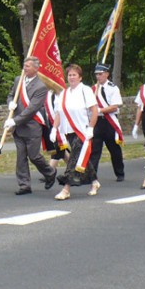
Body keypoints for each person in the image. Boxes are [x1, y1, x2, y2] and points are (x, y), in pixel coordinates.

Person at [4, 56, 56, 195]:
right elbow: (11, 95)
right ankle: (24, 185)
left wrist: (15, 121)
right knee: (21, 157)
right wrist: (10, 103)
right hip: (18, 127)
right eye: (24, 65)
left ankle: (50, 172)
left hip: (32, 126)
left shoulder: (41, 86)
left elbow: (32, 109)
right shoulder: (18, 80)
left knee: (34, 156)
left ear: (36, 68)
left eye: (28, 66)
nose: (24, 68)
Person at [51, 64, 100, 200]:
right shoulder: (63, 93)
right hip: (68, 131)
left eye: (74, 75)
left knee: (73, 159)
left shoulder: (86, 91)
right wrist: (54, 129)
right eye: (70, 75)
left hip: (82, 131)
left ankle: (66, 189)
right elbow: (58, 113)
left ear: (80, 77)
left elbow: (94, 110)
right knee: (81, 157)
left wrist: (91, 128)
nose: (71, 77)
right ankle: (94, 182)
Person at [89, 63, 125, 182]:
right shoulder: (93, 89)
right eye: (96, 74)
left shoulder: (113, 88)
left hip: (109, 122)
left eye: (100, 74)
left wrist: (99, 110)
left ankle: (120, 173)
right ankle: (92, 175)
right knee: (95, 150)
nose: (98, 77)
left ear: (107, 74)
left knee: (114, 149)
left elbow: (114, 106)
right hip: (98, 122)